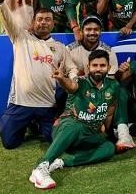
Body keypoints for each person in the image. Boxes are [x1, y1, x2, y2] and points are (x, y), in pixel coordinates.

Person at [0, 0, 78, 149]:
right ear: (33, 22)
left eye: (47, 19)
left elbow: (72, 68)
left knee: (53, 140)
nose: (43, 22)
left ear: (53, 24)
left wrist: (72, 80)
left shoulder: (59, 47)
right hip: (21, 103)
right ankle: (16, 121)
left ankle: (37, 124)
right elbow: (7, 19)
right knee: (10, 142)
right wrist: (0, 1)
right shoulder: (20, 38)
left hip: (46, 105)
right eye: (40, 19)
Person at [29, 50, 121, 190]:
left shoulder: (113, 86)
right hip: (67, 127)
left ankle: (61, 161)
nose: (98, 69)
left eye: (102, 65)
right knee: (75, 126)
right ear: (88, 66)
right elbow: (71, 86)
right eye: (94, 65)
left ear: (108, 67)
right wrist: (61, 79)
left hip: (89, 133)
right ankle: (41, 167)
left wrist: (105, 127)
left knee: (108, 148)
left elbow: (111, 108)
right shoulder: (80, 82)